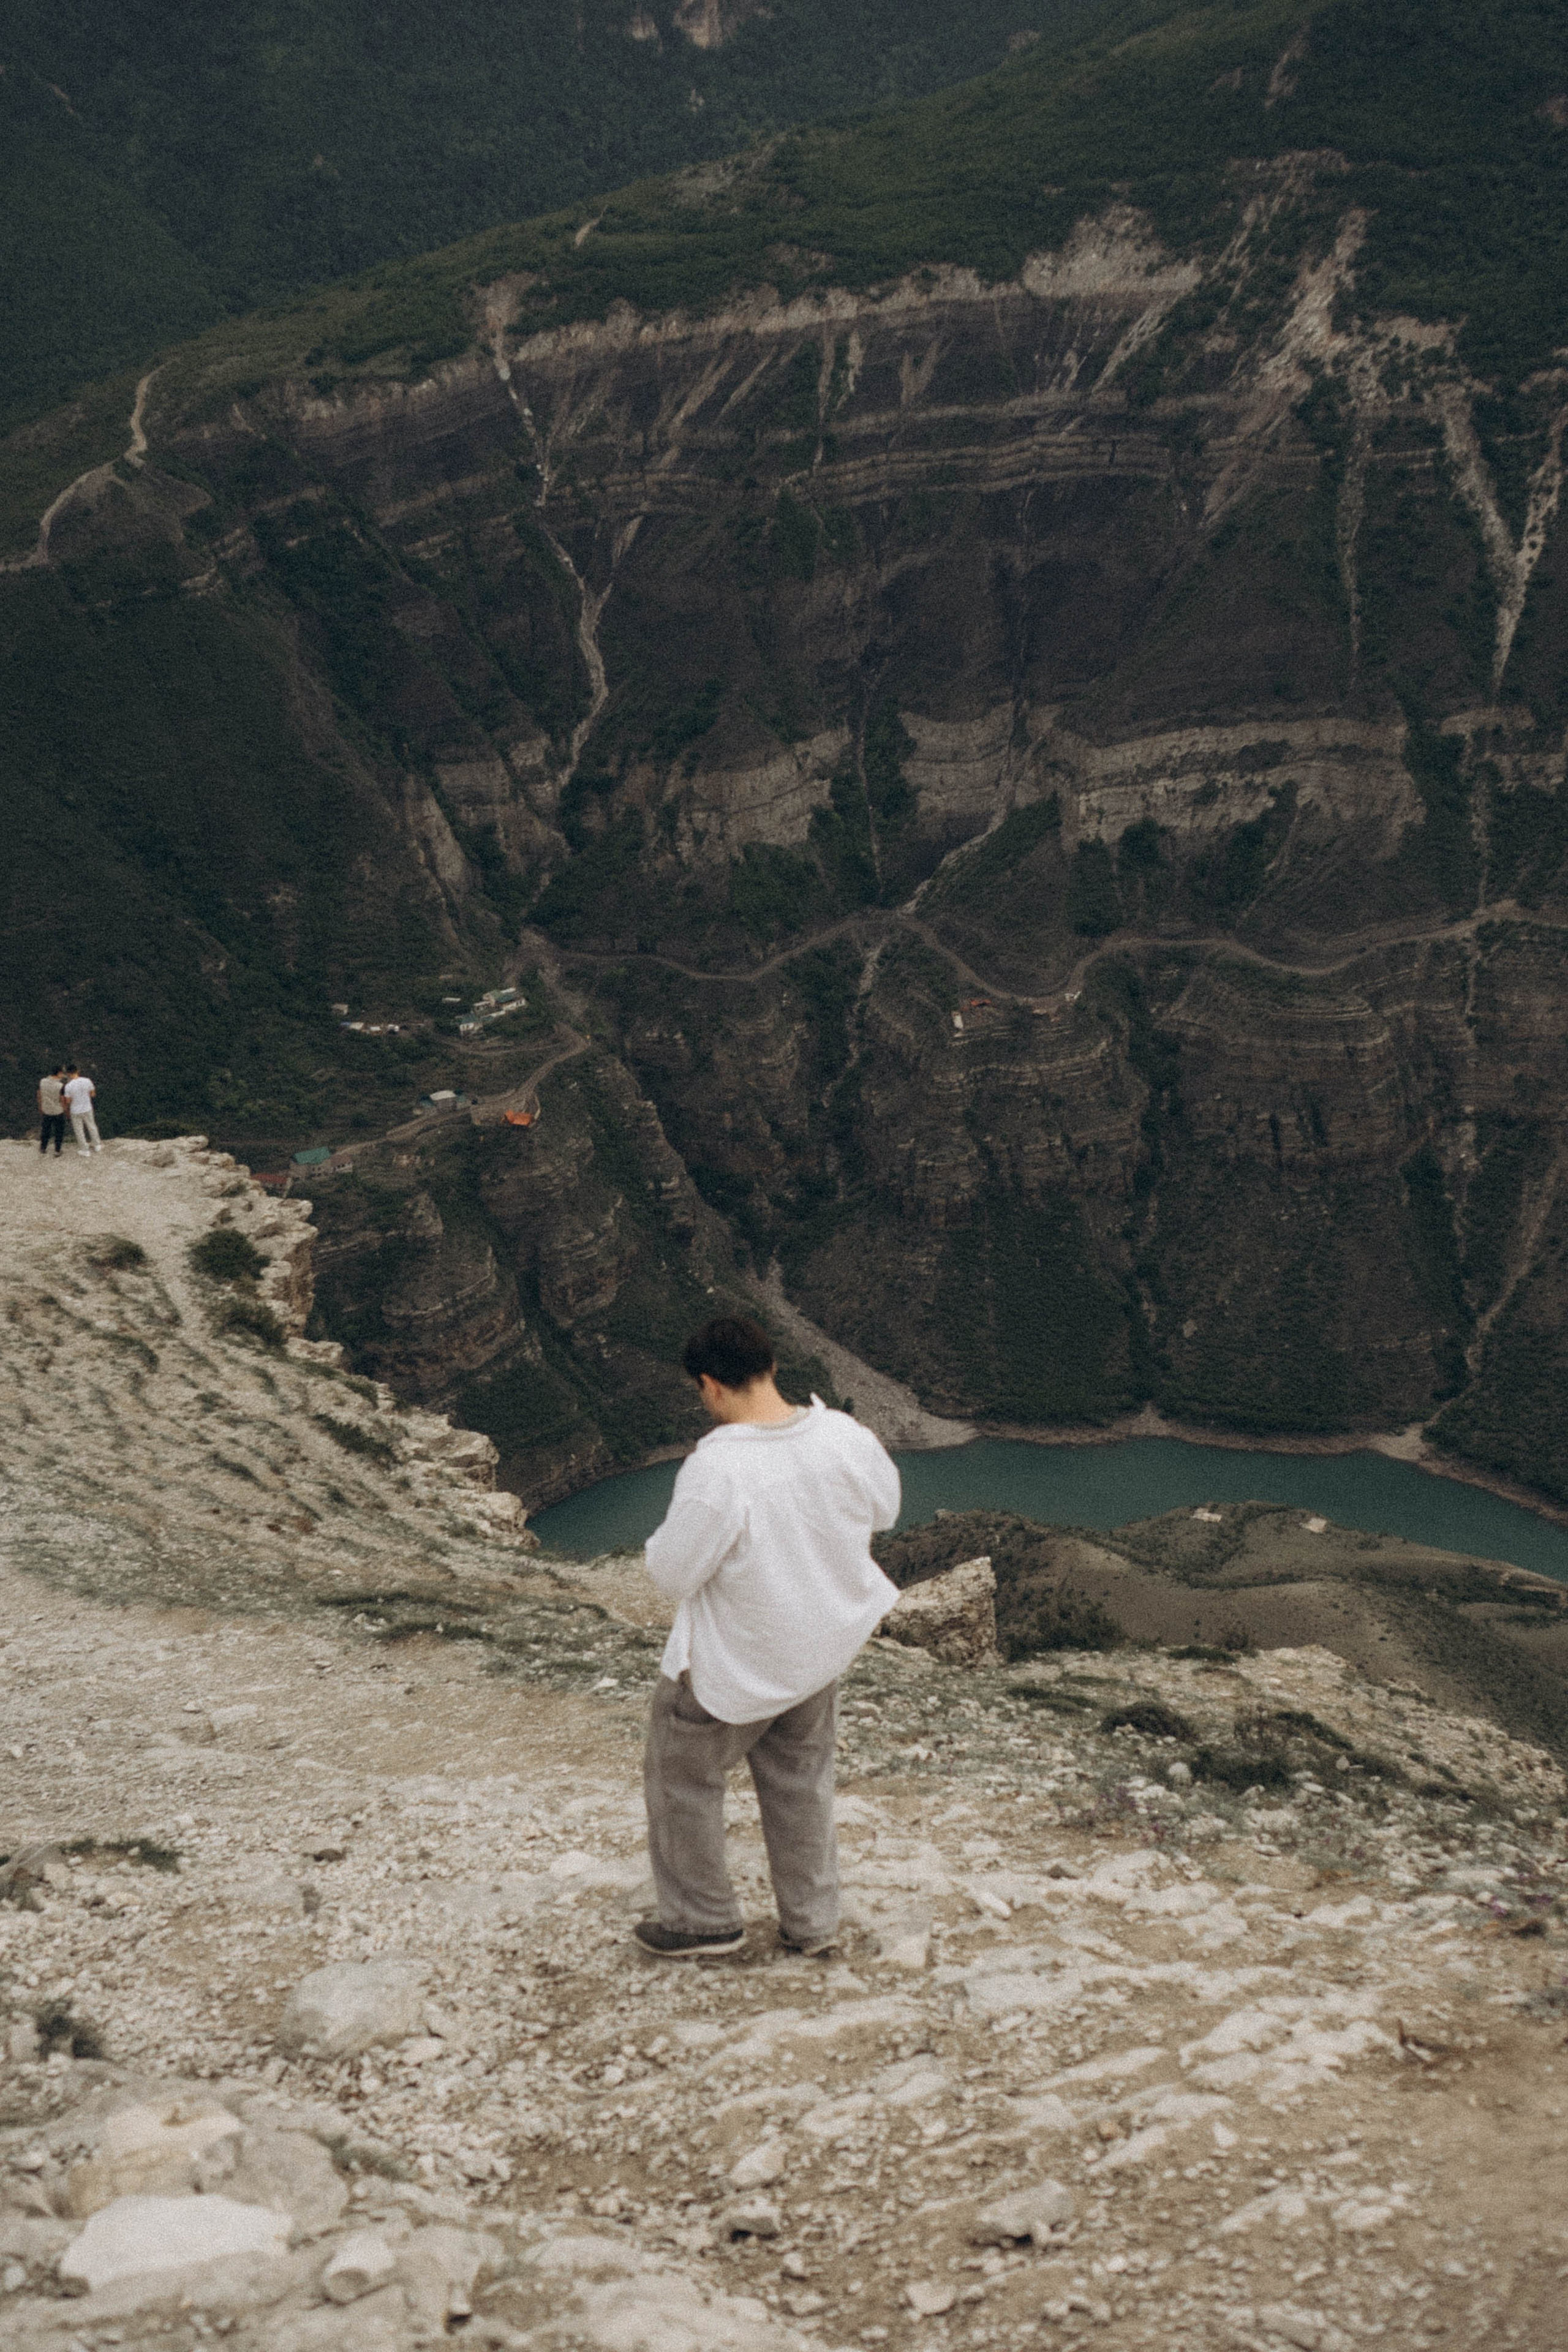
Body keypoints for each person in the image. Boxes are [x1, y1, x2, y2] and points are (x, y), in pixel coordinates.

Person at [637, 1314, 900, 1960]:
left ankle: (703, 1922)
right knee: (800, 1783)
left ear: (710, 1386)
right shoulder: (843, 1435)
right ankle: (812, 1925)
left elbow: (673, 1572)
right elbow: (886, 1511)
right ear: (771, 1367)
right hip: (816, 1653)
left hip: (735, 1664)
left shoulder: (719, 1469)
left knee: (681, 1777)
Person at [63, 1065, 102, 1156]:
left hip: (76, 1110)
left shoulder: (68, 1086)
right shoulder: (87, 1081)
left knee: (79, 1130)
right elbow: (93, 1094)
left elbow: (68, 1101)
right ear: (78, 1071)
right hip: (87, 1108)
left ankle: (85, 1150)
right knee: (92, 1126)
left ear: (68, 1074)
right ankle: (97, 1145)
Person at [37, 1066, 67, 1157]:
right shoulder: (61, 1086)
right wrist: (66, 1110)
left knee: (46, 1130)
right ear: (59, 1073)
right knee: (59, 1131)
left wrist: (41, 1107)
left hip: (46, 1110)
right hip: (58, 1111)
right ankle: (57, 1150)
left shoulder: (42, 1082)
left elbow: (39, 1095)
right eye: (62, 1073)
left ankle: (43, 1148)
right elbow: (62, 1100)